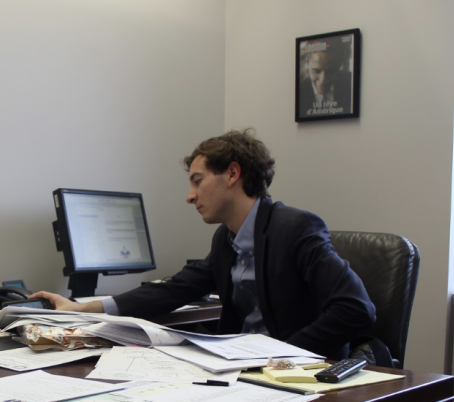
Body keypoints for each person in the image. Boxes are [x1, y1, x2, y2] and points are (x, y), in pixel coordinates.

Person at [31, 129, 376, 360]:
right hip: (244, 369)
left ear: (232, 174)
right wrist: (80, 309)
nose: (189, 196)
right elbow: (173, 290)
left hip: (295, 377)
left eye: (197, 181)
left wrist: (284, 355)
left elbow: (356, 308)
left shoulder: (295, 228)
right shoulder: (227, 240)